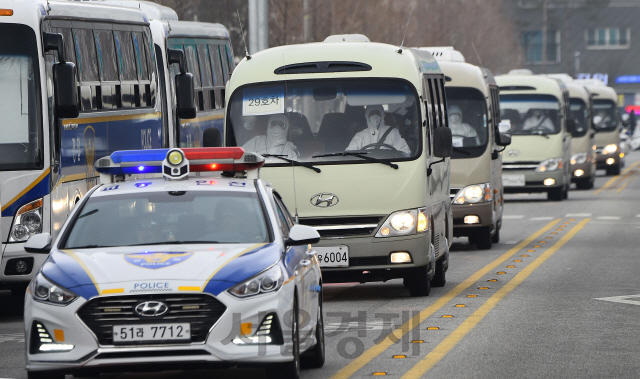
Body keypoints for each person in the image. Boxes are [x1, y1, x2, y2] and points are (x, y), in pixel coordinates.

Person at [345, 105, 411, 155]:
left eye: (377, 113)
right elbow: (350, 153)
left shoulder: (393, 132)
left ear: (382, 115)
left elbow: (404, 152)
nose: (375, 115)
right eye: (372, 113)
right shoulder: (360, 136)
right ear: (367, 115)